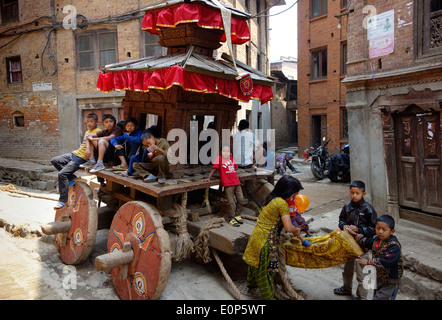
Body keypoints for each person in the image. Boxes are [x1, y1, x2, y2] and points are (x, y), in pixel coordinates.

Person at [243, 175, 304, 300]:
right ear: (288, 192)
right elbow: (288, 227)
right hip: (265, 242)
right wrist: (296, 229)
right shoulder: (282, 204)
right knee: (265, 274)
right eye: (293, 195)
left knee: (255, 265)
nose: (294, 198)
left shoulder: (271, 198)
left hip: (256, 237)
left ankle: (251, 284)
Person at [334, 180, 377, 300]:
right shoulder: (347, 206)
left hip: (363, 245)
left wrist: (359, 229)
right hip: (348, 243)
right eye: (352, 193)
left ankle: (362, 296)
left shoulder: (369, 209)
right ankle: (346, 288)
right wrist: (344, 226)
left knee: (362, 273)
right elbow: (341, 220)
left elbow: (373, 229)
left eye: (357, 193)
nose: (354, 195)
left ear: (363, 193)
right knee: (347, 269)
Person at [347, 214, 404, 300]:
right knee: (377, 295)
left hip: (390, 280)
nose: (380, 231)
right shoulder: (376, 239)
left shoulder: (394, 246)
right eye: (378, 228)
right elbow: (366, 241)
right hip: (379, 276)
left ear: (392, 231)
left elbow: (385, 261)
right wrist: (355, 235)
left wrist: (367, 262)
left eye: (384, 229)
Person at [51, 113, 101, 210]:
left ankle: (62, 201)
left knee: (62, 175)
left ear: (96, 122)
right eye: (88, 122)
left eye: (92, 122)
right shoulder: (87, 132)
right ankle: (72, 178)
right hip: (74, 154)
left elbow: (96, 147)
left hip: (81, 158)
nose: (89, 124)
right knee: (55, 160)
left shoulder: (98, 131)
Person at [202, 145, 244, 227]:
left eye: (228, 151)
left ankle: (237, 215)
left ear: (230, 153)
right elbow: (214, 169)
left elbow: (233, 168)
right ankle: (231, 218)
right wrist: (208, 178)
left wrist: (235, 175)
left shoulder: (231, 158)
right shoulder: (219, 159)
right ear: (220, 152)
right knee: (231, 202)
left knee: (241, 199)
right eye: (224, 151)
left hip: (236, 182)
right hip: (228, 184)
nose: (226, 153)